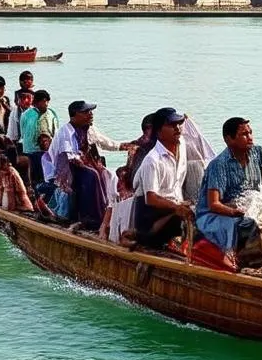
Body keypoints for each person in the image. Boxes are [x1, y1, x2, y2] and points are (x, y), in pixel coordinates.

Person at [195, 117, 262, 265]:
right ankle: (247, 259)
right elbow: (214, 204)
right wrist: (234, 212)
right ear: (229, 139)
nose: (250, 137)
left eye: (250, 133)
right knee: (252, 225)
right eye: (244, 134)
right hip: (221, 212)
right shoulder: (219, 165)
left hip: (249, 205)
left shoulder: (256, 152)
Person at [45, 100, 131, 230]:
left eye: (90, 112)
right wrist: (89, 165)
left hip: (80, 165)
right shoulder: (65, 133)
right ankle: (90, 218)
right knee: (92, 175)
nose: (90, 114)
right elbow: (71, 157)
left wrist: (124, 146)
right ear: (74, 116)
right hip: (64, 172)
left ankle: (105, 213)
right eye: (86, 112)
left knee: (108, 175)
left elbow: (105, 142)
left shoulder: (89, 128)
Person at [133, 107, 196, 250]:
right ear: (159, 132)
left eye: (179, 124)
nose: (178, 128)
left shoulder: (182, 145)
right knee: (180, 218)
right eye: (172, 125)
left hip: (173, 208)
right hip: (152, 220)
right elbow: (151, 198)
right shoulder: (152, 160)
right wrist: (176, 207)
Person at [19, 89, 59, 185]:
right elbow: (23, 132)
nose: (46, 104)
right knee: (34, 178)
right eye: (43, 101)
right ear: (36, 103)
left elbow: (56, 133)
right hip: (31, 152)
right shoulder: (26, 115)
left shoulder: (52, 114)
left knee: (47, 178)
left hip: (47, 153)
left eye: (47, 101)